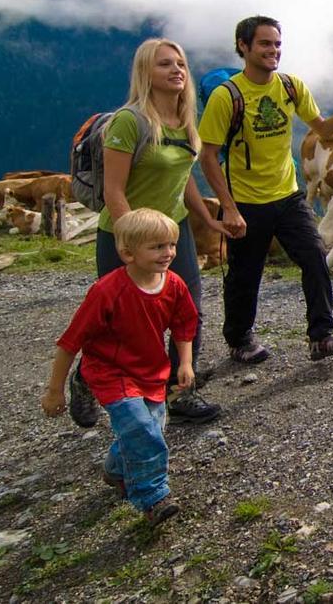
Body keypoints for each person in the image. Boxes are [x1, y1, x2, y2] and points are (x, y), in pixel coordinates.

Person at [72, 38, 226, 428]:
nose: (176, 70)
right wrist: (134, 242)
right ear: (145, 73)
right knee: (118, 322)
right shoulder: (130, 121)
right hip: (124, 237)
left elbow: (183, 177)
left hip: (174, 234)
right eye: (164, 65)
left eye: (181, 64)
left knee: (187, 311)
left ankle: (180, 393)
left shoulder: (187, 122)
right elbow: (114, 191)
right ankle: (86, 379)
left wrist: (207, 221)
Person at [198, 15, 333, 363]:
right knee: (245, 274)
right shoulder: (227, 97)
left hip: (287, 195)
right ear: (243, 47)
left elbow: (323, 130)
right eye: (264, 44)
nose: (273, 51)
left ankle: (321, 336)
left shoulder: (291, 87)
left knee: (315, 256)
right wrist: (228, 207)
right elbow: (209, 155)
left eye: (276, 44)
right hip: (245, 200)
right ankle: (239, 339)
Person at [42, 208, 196, 526]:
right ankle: (153, 497)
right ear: (127, 253)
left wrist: (186, 363)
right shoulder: (106, 291)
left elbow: (184, 325)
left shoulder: (175, 285)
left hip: (152, 371)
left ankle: (115, 470)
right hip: (111, 372)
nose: (168, 253)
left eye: (171, 245)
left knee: (148, 430)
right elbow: (70, 342)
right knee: (141, 429)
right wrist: (54, 390)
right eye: (156, 247)